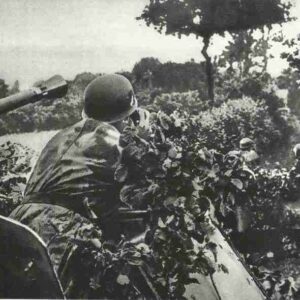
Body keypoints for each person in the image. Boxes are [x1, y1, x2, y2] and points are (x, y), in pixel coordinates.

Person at [9, 74, 138, 297]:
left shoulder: (60, 136)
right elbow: (141, 192)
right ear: (125, 116)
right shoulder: (117, 142)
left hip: (18, 223)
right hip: (61, 230)